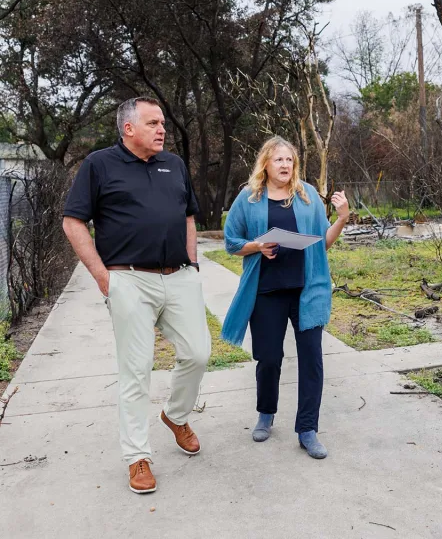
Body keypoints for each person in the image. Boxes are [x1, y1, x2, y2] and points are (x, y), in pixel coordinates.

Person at [62, 97, 211, 494]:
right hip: (128, 279)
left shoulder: (174, 165)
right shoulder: (99, 165)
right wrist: (102, 276)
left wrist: (192, 264)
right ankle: (137, 456)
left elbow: (188, 215)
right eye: (153, 123)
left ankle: (175, 415)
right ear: (128, 128)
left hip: (178, 277)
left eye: (163, 122)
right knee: (136, 371)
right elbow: (73, 221)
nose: (162, 129)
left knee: (198, 353)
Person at [222, 136, 348, 459]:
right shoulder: (249, 199)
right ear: (265, 164)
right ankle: (266, 412)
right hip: (266, 292)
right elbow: (231, 241)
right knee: (269, 358)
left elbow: (322, 244)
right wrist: (258, 246)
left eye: (289, 160)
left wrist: (342, 218)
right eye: (278, 160)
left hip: (307, 290)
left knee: (312, 361)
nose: (285, 165)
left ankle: (308, 430)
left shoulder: (306, 198)